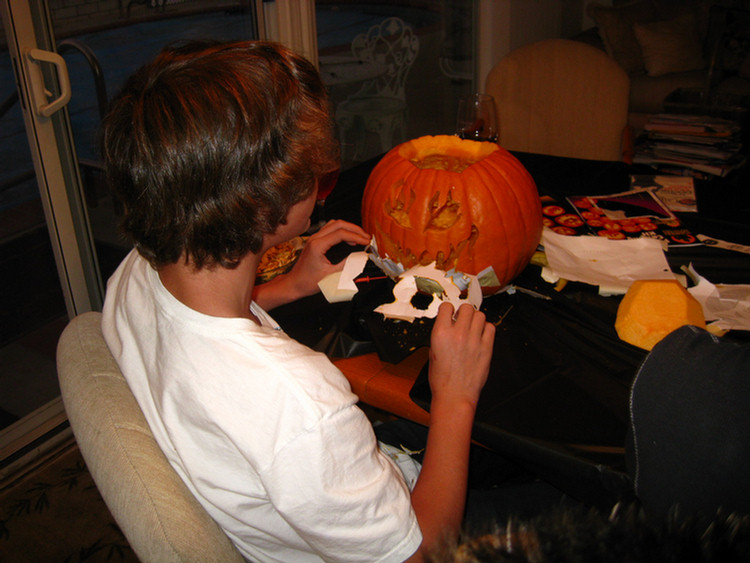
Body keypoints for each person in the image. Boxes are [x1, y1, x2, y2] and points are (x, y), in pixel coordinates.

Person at [100, 40, 495, 563]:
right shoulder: (301, 404)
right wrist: (455, 396)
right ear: (266, 198)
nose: (322, 183)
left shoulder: (134, 271)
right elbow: (420, 555)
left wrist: (289, 286)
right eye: (314, 173)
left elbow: (196, 323)